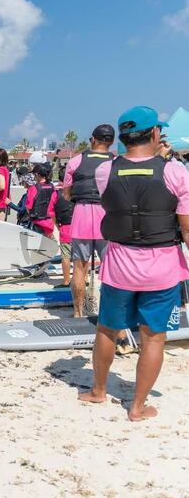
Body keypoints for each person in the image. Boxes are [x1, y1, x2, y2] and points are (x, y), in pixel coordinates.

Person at [77, 106, 189, 421]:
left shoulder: (104, 171)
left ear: (123, 138)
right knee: (153, 336)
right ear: (154, 133)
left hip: (119, 265)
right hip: (163, 268)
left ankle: (98, 391)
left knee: (108, 329)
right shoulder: (176, 172)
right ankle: (137, 407)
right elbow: (186, 227)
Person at [62, 125, 116, 317]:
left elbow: (67, 194)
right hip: (108, 215)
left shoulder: (76, 161)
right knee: (111, 266)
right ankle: (110, 312)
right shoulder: (117, 162)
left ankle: (78, 312)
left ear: (93, 139)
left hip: (82, 213)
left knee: (80, 266)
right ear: (112, 141)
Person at [24, 164, 57, 236]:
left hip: (37, 223)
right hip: (50, 223)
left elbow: (28, 207)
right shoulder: (52, 187)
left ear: (37, 174)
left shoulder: (34, 188)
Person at [55, 168, 74, 288]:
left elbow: (52, 213)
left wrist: (57, 226)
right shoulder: (77, 192)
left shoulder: (56, 193)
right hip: (79, 228)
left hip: (65, 227)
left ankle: (66, 281)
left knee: (65, 256)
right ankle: (85, 278)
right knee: (82, 256)